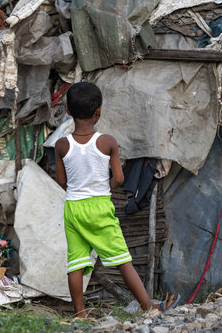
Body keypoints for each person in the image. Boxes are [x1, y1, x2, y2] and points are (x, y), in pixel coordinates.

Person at [54, 82, 179, 318]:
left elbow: (62, 182)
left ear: (68, 111)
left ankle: (80, 315)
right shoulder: (107, 142)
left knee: (76, 263)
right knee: (122, 260)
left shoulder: (61, 145)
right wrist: (104, 187)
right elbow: (119, 179)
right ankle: (148, 307)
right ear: (99, 111)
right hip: (100, 206)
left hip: (73, 208)